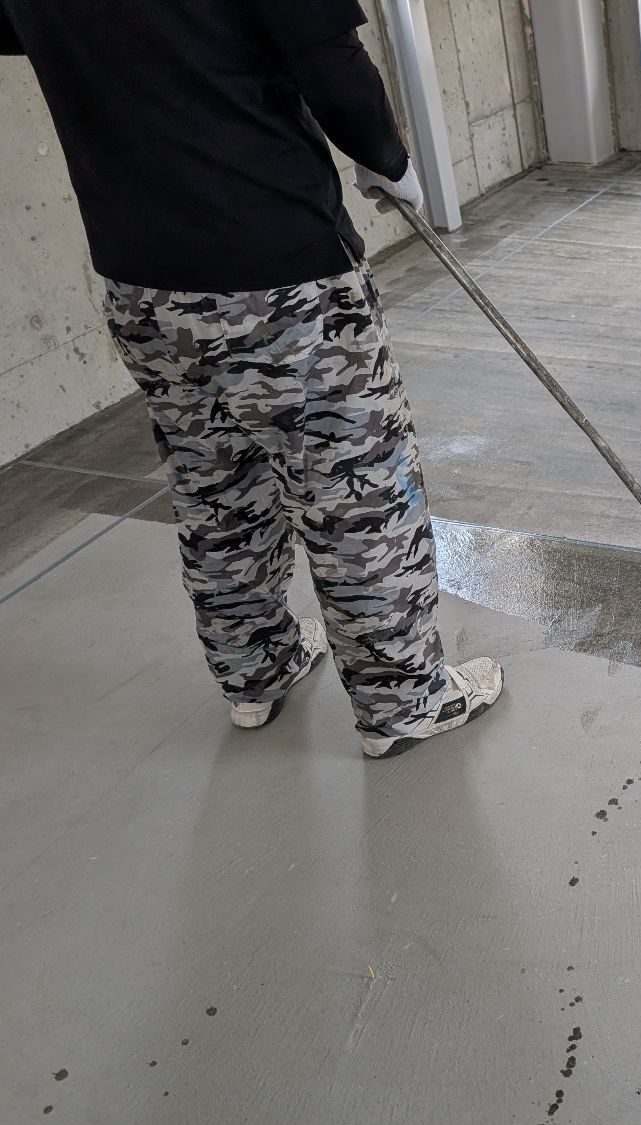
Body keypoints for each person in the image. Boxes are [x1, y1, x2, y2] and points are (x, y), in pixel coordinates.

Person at [1, 0, 500, 758]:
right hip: (279, 274)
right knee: (353, 491)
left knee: (216, 485)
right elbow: (328, 55)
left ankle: (256, 671)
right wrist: (388, 159)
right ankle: (403, 701)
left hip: (141, 280)